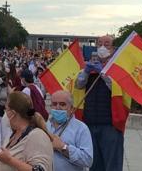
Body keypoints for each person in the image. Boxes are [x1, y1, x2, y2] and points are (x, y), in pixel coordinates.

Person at [75, 35, 129, 171]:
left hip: (110, 125)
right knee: (94, 164)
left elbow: (119, 89)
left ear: (113, 48)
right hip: (89, 122)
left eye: (107, 44)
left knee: (112, 164)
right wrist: (87, 71)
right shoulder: (88, 65)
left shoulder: (118, 68)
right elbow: (78, 85)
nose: (102, 47)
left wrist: (103, 73)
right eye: (99, 44)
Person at [0, 91, 53, 171]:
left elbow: (40, 170)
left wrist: (10, 160)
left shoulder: (37, 136)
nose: (4, 113)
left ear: (12, 113)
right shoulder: (14, 134)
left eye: (6, 109)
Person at [46, 90, 93, 171]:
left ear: (71, 108)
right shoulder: (45, 126)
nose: (58, 107)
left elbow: (87, 160)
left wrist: (63, 147)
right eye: (54, 104)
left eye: (62, 104)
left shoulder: (81, 128)